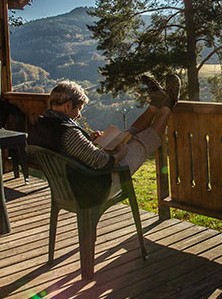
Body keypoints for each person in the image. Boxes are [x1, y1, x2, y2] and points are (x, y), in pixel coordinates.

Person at [29, 74, 180, 205]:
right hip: (96, 187)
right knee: (142, 142)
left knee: (126, 135)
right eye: (79, 109)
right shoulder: (68, 132)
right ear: (68, 106)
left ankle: (154, 105)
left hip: (68, 188)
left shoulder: (41, 124)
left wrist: (88, 140)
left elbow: (64, 150)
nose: (79, 115)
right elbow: (102, 162)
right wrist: (119, 155)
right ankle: (169, 104)